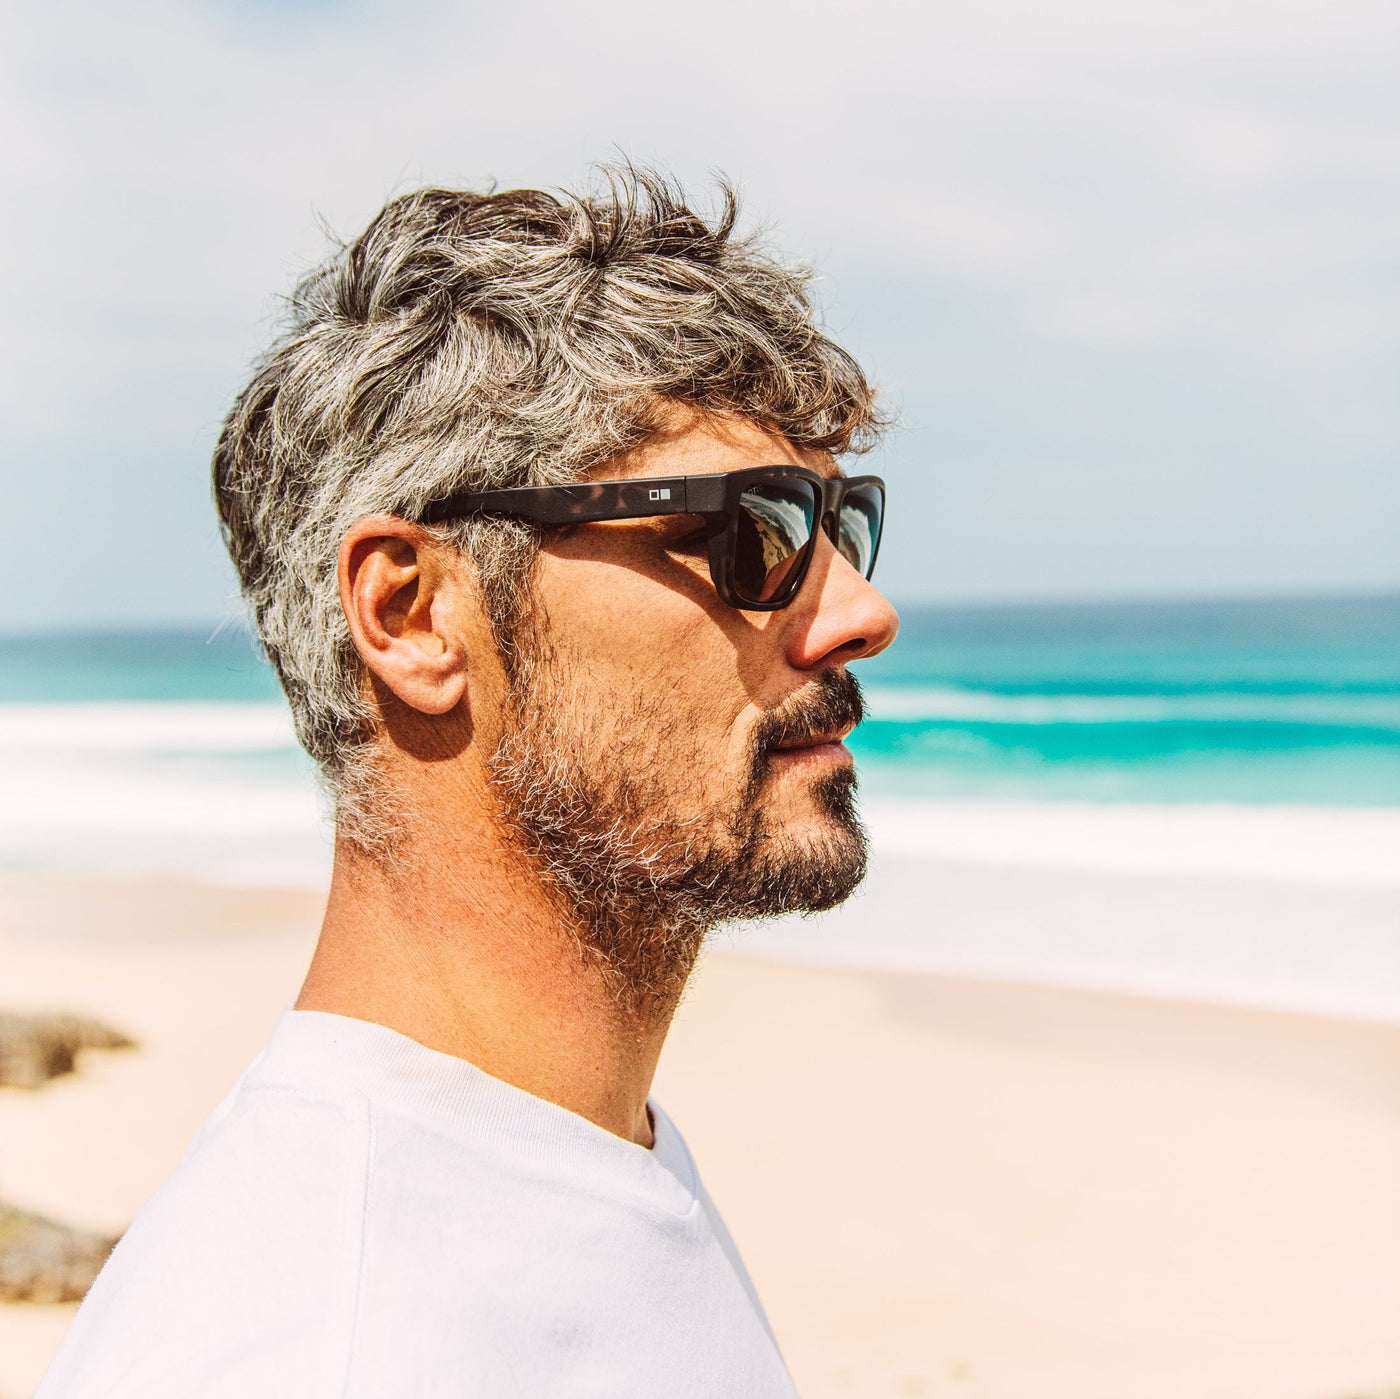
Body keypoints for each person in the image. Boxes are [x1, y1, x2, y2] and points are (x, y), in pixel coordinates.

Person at [38, 168, 899, 1398]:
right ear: (412, 612)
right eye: (751, 530)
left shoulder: (578, 1158)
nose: (861, 613)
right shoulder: (315, 1342)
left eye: (841, 524)